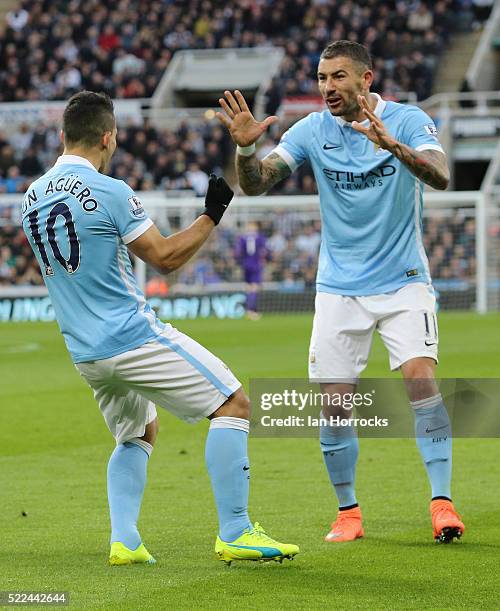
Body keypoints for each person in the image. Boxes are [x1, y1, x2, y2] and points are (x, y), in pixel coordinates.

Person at [22, 91, 298, 566]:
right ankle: (235, 530)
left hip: (85, 353)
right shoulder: (110, 190)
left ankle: (125, 541)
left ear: (64, 135)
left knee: (138, 433)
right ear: (109, 137)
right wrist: (211, 214)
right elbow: (165, 257)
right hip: (130, 337)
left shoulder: (29, 197)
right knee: (233, 402)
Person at [217, 41, 465, 544]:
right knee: (334, 404)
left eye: (338, 77)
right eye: (321, 77)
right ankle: (348, 512)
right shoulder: (312, 129)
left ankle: (442, 503)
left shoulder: (410, 120)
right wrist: (246, 148)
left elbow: (440, 176)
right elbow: (258, 183)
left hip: (403, 282)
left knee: (421, 380)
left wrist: (392, 144)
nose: (327, 87)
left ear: (366, 79)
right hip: (339, 287)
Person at [235, 221, 268, 320]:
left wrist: (239, 263)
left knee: (249, 288)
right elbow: (265, 251)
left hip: (245, 265)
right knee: (254, 288)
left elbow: (237, 252)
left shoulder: (242, 238)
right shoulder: (260, 237)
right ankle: (251, 311)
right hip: (255, 265)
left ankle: (249, 310)